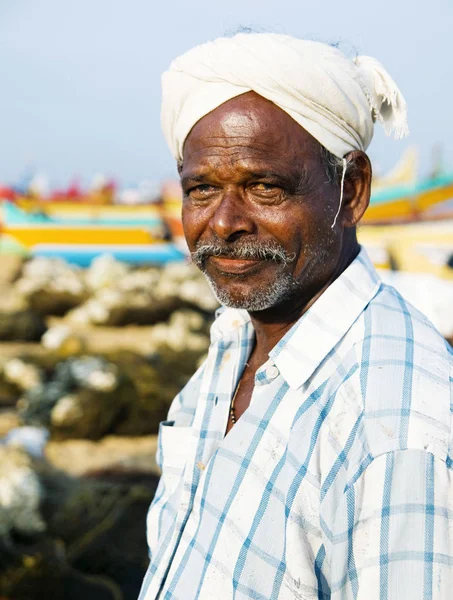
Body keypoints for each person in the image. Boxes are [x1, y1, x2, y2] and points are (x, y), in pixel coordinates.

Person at [139, 33, 453, 599]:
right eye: (201, 188)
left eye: (265, 187)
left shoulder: (396, 428)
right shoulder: (238, 338)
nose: (225, 221)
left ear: (351, 190)